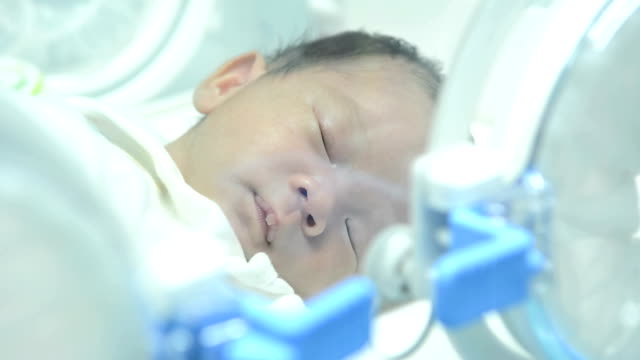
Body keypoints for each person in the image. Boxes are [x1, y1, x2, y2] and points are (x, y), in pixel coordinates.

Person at [165, 31, 443, 297]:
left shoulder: (277, 321)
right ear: (232, 84)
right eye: (325, 139)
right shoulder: (123, 174)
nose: (320, 202)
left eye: (353, 236)